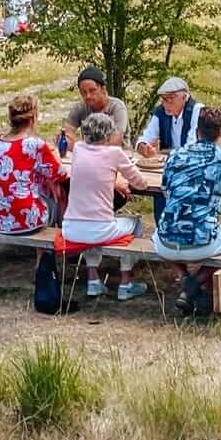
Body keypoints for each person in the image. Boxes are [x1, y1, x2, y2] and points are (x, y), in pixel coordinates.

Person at [152, 106, 221, 316]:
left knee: (156, 236)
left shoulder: (175, 155)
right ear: (220, 132)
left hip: (166, 242)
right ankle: (196, 283)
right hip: (202, 242)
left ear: (197, 131)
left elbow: (166, 189)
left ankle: (185, 279)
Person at [61, 111, 148, 301]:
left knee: (92, 226)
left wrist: (112, 180)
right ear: (108, 134)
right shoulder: (115, 153)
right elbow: (141, 183)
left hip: (71, 227)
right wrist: (121, 181)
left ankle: (93, 280)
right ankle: (125, 282)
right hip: (99, 228)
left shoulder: (79, 149)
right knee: (136, 224)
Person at [0, 93, 66, 234]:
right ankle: (61, 239)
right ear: (32, 119)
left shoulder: (1, 141)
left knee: (43, 184)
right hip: (26, 222)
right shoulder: (35, 144)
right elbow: (61, 174)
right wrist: (55, 155)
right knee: (59, 193)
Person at [136, 76, 200, 158]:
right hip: (167, 163)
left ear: (184, 97)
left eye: (170, 98)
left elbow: (192, 146)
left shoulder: (197, 110)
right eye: (163, 99)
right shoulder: (160, 112)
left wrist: (168, 152)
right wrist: (142, 146)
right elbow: (147, 136)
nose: (165, 104)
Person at [64, 66, 129, 146]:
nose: (88, 96)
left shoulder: (117, 107)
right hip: (88, 152)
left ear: (103, 89)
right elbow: (65, 135)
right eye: (83, 92)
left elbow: (115, 140)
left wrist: (83, 146)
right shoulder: (79, 108)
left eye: (92, 90)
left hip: (117, 152)